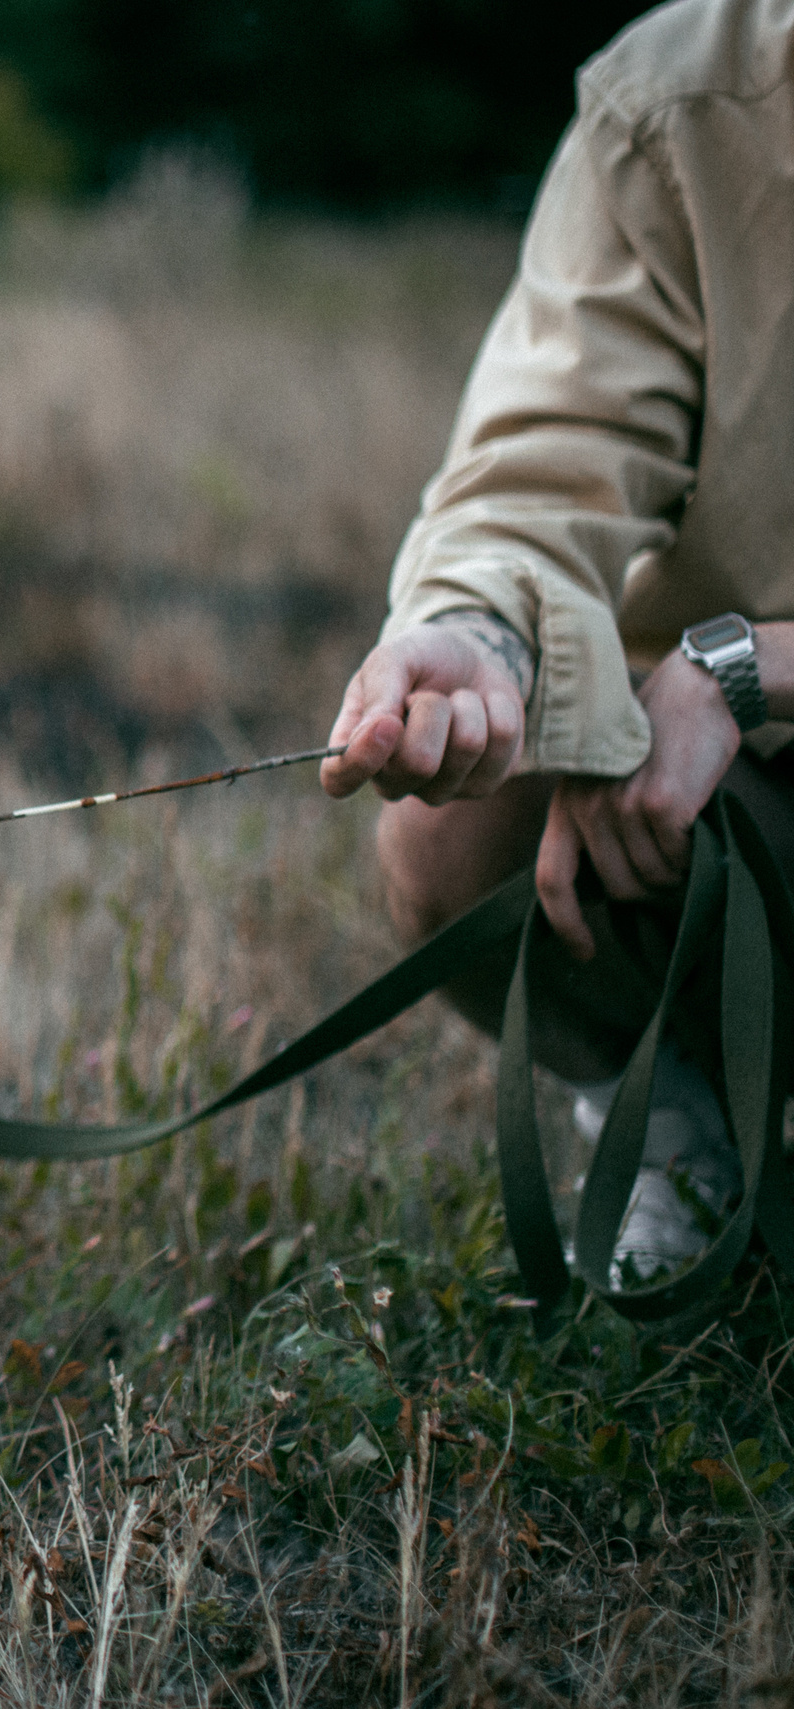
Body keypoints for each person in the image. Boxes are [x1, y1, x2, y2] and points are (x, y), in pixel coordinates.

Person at [318, 0, 794, 1276]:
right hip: (748, 789)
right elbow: (545, 463)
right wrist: (485, 637)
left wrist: (744, 666)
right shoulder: (676, 96)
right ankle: (689, 1123)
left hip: (746, 695)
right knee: (458, 827)